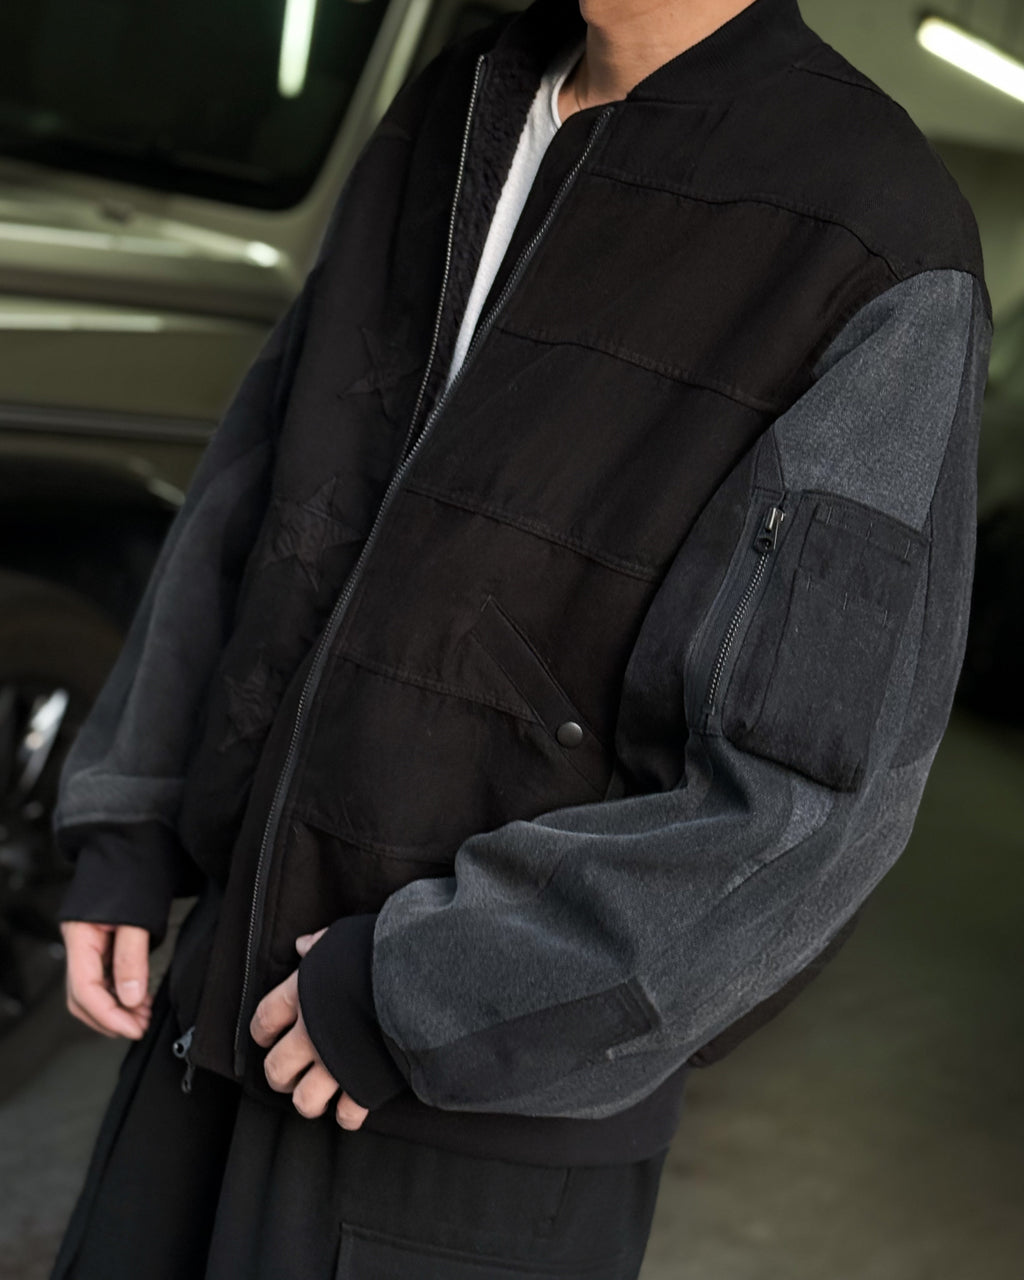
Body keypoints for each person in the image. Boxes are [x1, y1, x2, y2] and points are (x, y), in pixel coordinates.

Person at [49, 0, 991, 1275]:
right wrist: (131, 816)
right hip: (212, 1013)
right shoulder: (461, 100)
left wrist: (424, 988)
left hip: (467, 1126)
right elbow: (262, 476)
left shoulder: (873, 226)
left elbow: (809, 799)